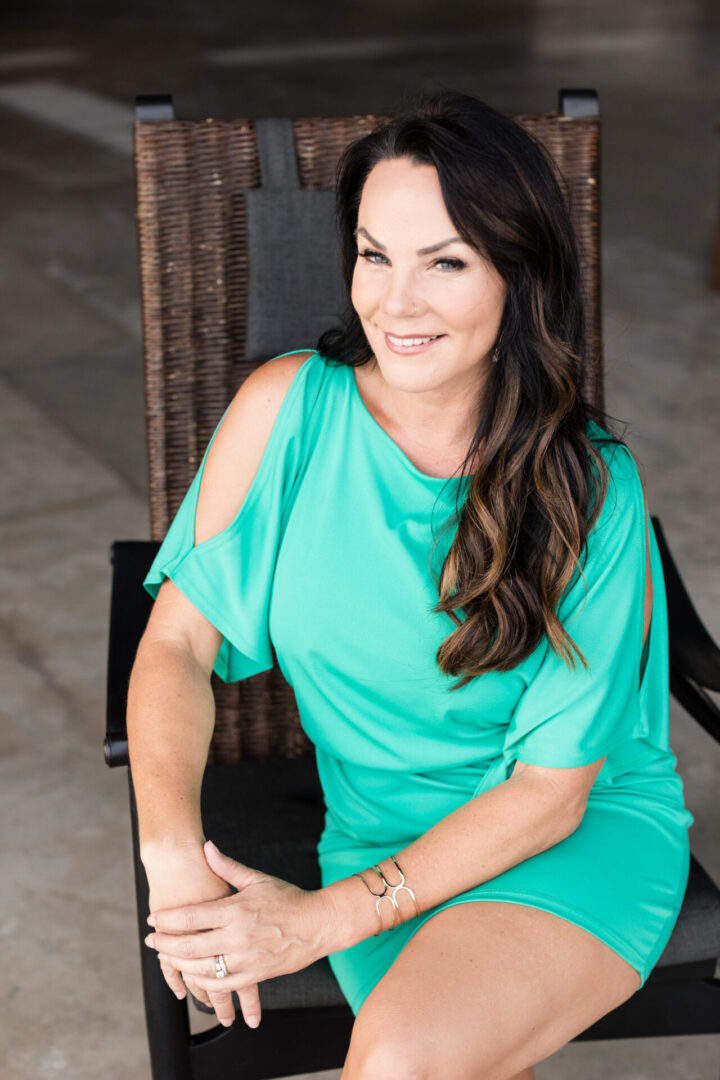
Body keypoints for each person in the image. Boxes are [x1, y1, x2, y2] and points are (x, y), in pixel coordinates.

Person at [127, 89, 694, 1079]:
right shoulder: (285, 411)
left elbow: (552, 795)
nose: (396, 303)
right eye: (375, 254)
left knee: (403, 1064)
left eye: (447, 262)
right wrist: (173, 862)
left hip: (569, 832)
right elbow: (177, 643)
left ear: (520, 277)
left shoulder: (589, 484)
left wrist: (313, 925)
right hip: (381, 831)